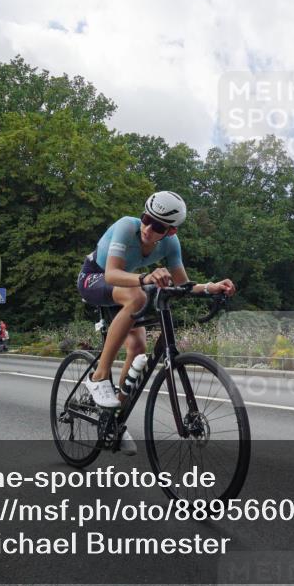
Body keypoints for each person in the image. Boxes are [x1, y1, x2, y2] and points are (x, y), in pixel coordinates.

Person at [76, 191, 236, 456]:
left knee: (139, 346)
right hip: (94, 277)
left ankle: (113, 418)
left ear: (170, 232)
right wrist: (146, 278)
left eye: (158, 226)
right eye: (147, 219)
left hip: (125, 290)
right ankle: (99, 376)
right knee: (139, 295)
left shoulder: (171, 245)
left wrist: (211, 287)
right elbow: (112, 273)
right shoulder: (126, 227)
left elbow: (183, 285)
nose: (148, 228)